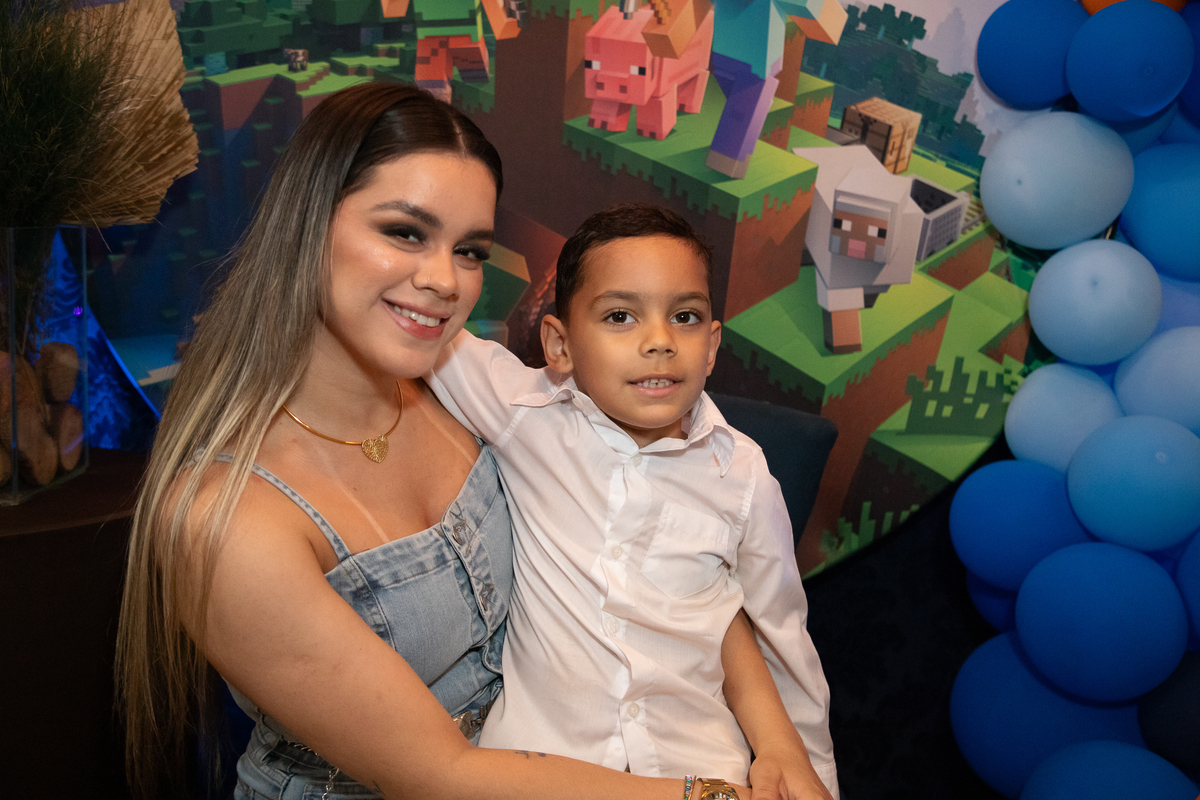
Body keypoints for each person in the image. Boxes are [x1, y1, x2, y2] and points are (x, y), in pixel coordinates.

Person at [114, 84, 825, 800]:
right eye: (405, 232)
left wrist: (778, 743)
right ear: (305, 224)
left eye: (470, 250)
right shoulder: (224, 522)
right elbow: (441, 775)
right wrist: (714, 795)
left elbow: (674, 571)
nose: (443, 280)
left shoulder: (462, 392)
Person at [427, 205, 839, 800]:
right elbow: (427, 329)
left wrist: (803, 765)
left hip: (701, 771)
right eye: (620, 316)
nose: (660, 341)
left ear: (712, 346)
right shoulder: (525, 415)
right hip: (542, 772)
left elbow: (782, 640)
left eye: (685, 316)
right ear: (560, 345)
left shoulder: (743, 474)